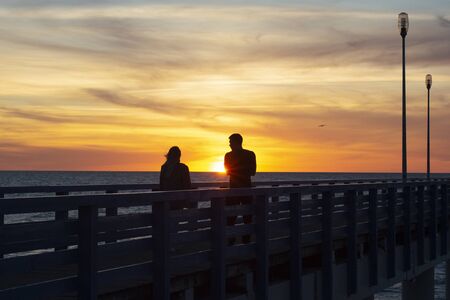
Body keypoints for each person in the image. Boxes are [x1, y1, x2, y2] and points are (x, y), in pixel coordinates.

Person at [224, 133, 256, 244]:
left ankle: (233, 240)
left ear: (236, 142)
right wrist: (243, 169)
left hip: (235, 189)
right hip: (244, 188)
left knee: (234, 217)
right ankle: (243, 241)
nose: (229, 145)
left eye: (230, 142)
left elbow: (228, 171)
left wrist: (235, 169)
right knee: (243, 217)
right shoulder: (250, 154)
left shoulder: (228, 156)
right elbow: (252, 172)